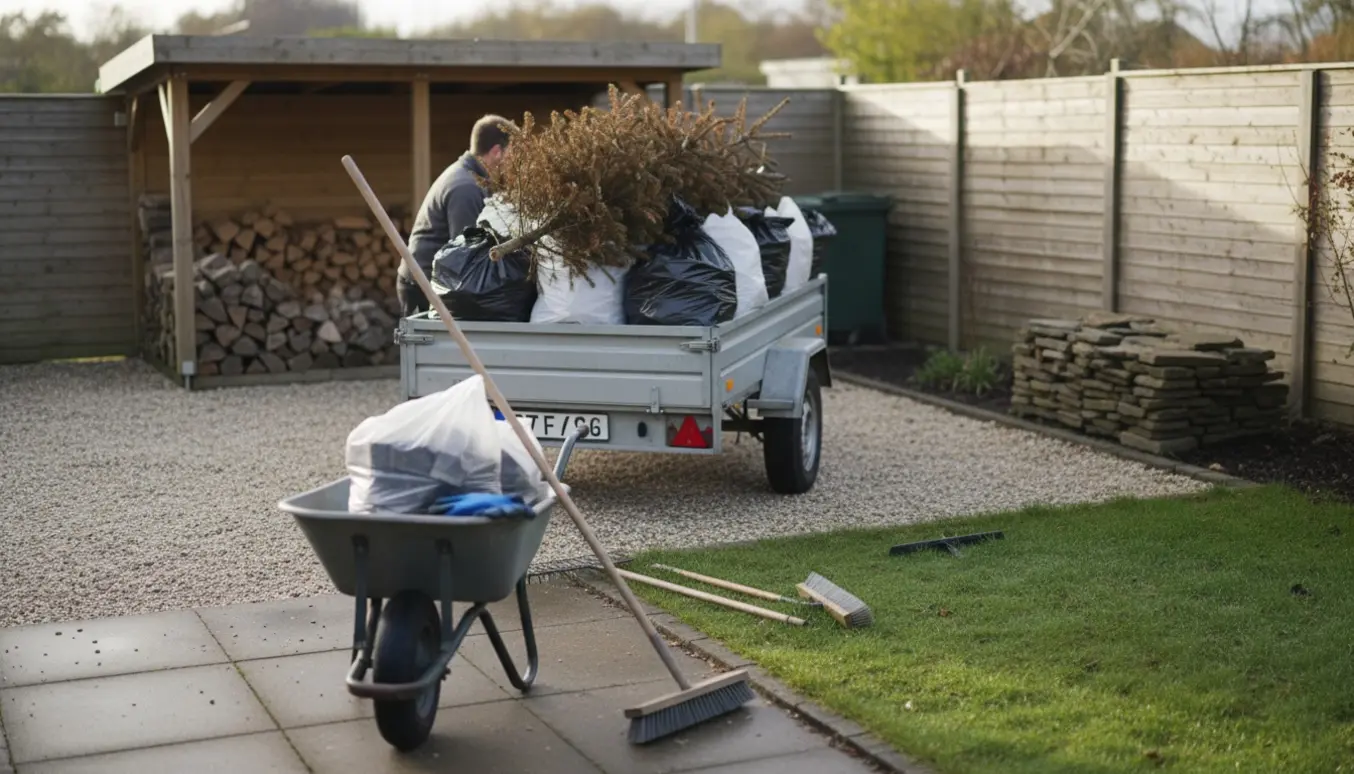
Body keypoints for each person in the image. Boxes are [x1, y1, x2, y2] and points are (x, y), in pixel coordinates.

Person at [399, 114, 515, 317]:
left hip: (433, 280)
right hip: (422, 285)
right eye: (513, 154)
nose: (514, 163)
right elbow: (464, 255)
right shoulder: (466, 188)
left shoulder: (472, 178)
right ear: (497, 152)